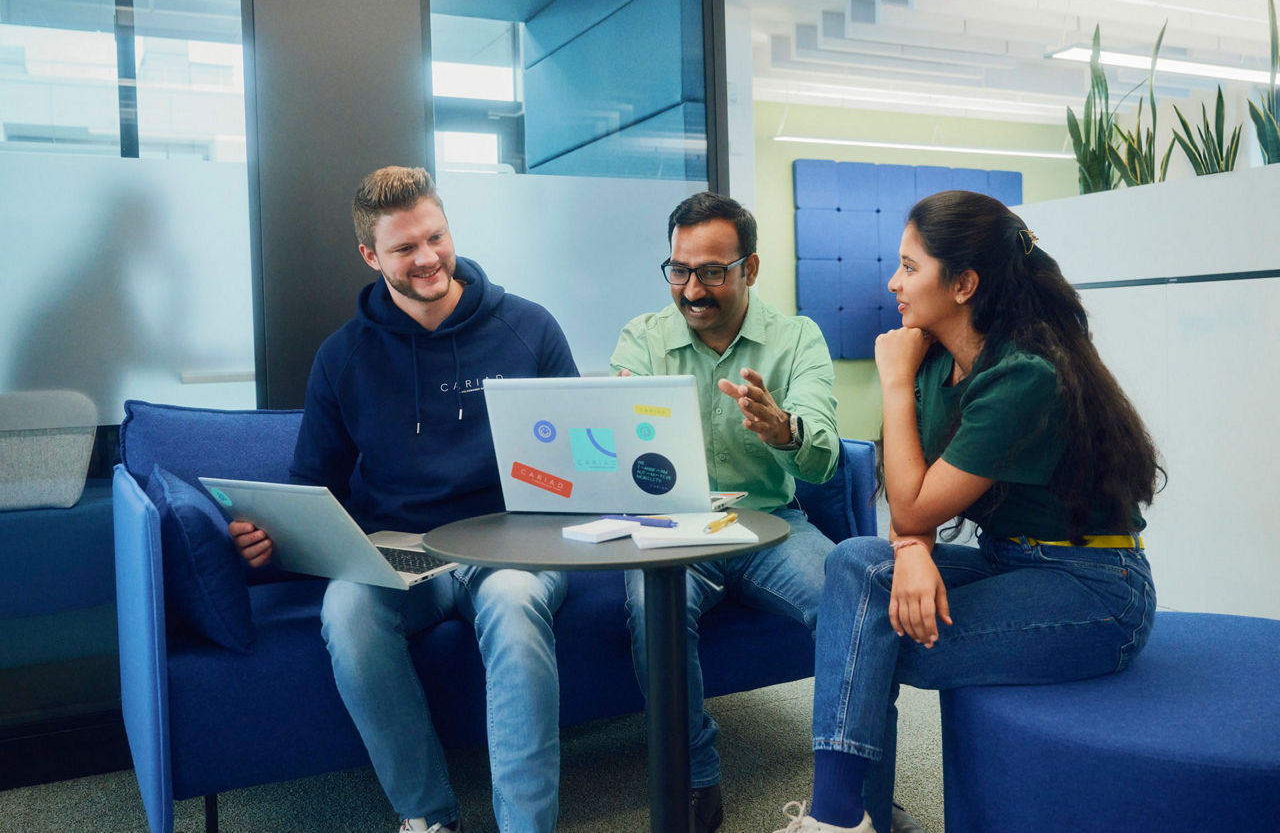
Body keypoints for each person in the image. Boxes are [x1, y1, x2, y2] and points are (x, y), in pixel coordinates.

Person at [774, 190, 1161, 833]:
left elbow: (912, 502)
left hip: (1094, 589)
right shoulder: (935, 360)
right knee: (852, 563)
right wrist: (911, 549)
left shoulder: (1024, 376)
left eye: (909, 266)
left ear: (964, 284)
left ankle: (841, 818)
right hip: (1006, 561)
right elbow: (911, 506)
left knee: (868, 637)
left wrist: (893, 385)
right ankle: (849, 816)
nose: (893, 282)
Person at [230, 166, 578, 833]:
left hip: (511, 540)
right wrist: (271, 534)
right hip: (400, 550)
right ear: (370, 255)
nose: (428, 258)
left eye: (435, 237)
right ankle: (427, 817)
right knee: (348, 613)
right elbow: (315, 484)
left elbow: (577, 458)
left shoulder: (529, 328)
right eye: (404, 248)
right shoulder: (343, 356)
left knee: (511, 602)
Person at [609, 191, 841, 832]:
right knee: (651, 608)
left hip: (771, 524)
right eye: (680, 270)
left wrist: (785, 432)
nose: (692, 289)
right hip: (672, 527)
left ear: (751, 269)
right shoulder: (643, 340)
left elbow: (822, 462)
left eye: (712, 271)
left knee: (848, 602)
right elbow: (610, 456)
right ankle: (695, 782)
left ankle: (853, 782)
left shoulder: (797, 338)